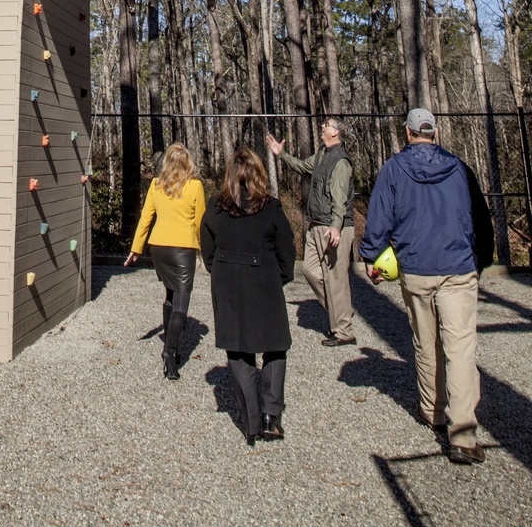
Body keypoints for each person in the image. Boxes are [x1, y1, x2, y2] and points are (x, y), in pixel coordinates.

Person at [360, 107, 495, 467]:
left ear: (408, 133)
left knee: (425, 341)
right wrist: (481, 258)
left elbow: (379, 217)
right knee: (461, 349)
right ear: (433, 132)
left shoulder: (393, 170)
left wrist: (372, 255)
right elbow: (481, 217)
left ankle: (432, 410)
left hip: (417, 268)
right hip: (457, 268)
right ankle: (463, 435)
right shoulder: (459, 168)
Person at [200, 146, 296, 445]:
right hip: (264, 280)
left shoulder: (214, 207)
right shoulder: (271, 208)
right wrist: (277, 277)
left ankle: (252, 418)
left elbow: (208, 250)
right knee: (274, 346)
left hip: (228, 282)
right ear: (259, 175)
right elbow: (287, 252)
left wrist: (222, 272)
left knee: (238, 349)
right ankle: (270, 415)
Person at [267, 117, 356, 346]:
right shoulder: (321, 155)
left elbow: (340, 198)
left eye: (327, 124)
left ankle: (344, 331)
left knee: (336, 278)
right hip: (316, 223)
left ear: (336, 133)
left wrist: (336, 226)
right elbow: (301, 166)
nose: (323, 126)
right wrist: (281, 154)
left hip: (333, 227)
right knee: (309, 270)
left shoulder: (341, 162)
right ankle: (340, 312)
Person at [124, 143, 206, 380]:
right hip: (183, 248)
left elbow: (146, 217)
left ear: (167, 163)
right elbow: (200, 221)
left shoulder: (156, 185)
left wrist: (136, 248)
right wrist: (204, 250)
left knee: (170, 295)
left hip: (159, 247)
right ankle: (170, 353)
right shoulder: (194, 187)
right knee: (181, 301)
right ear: (188, 162)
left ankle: (172, 344)